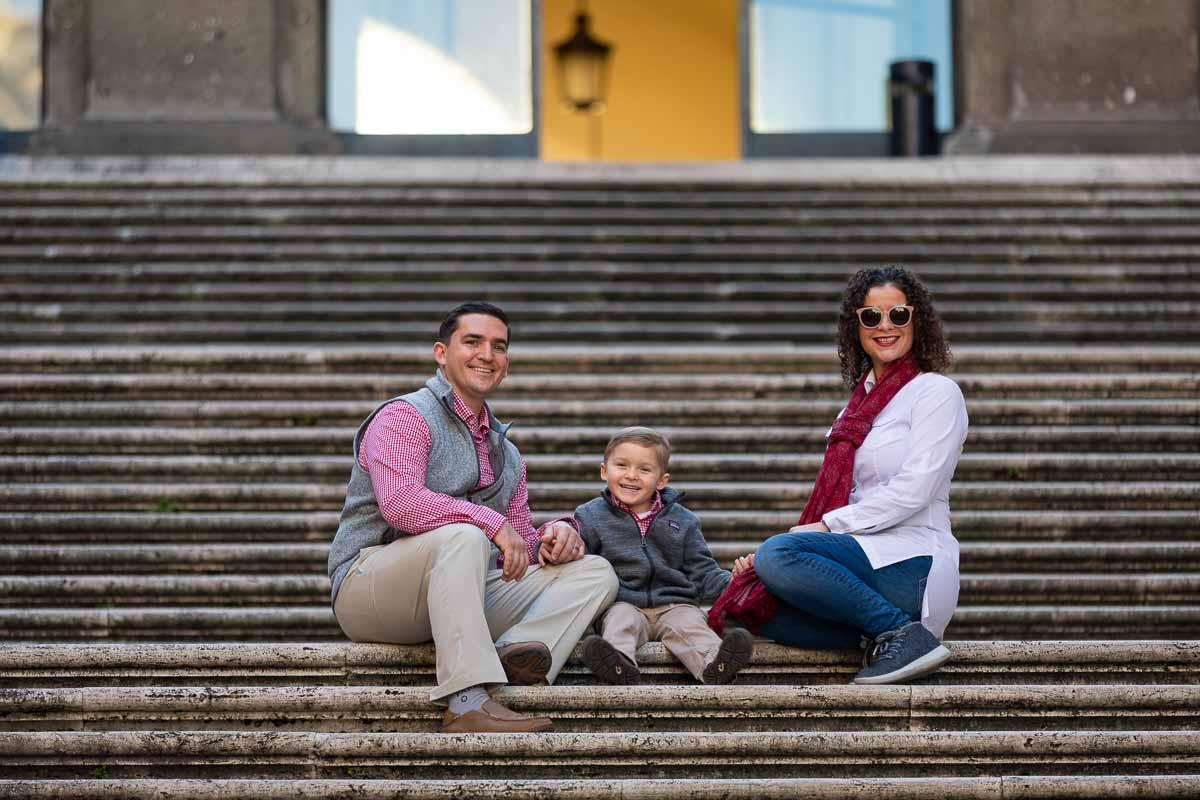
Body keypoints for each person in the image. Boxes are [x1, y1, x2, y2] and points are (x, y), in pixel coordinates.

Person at [327, 301, 618, 733]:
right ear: (441, 353)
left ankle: (510, 655)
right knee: (465, 534)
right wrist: (488, 521)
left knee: (595, 571)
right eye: (473, 342)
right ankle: (465, 703)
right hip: (371, 589)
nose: (487, 354)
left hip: (458, 593)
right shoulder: (405, 417)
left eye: (498, 347)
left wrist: (558, 537)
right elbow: (401, 504)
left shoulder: (508, 454)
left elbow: (519, 544)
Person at [711, 266, 968, 685]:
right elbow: (847, 494)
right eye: (872, 317)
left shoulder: (936, 393)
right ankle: (880, 637)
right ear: (857, 327)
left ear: (917, 320)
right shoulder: (854, 413)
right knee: (745, 596)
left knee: (781, 554)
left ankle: (901, 633)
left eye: (898, 315)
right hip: (863, 560)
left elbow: (915, 489)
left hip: (912, 563)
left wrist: (826, 527)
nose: (885, 326)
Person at [574, 427, 755, 685]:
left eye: (644, 469)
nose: (631, 476)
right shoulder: (590, 516)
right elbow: (583, 565)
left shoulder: (683, 520)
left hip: (675, 603)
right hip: (623, 602)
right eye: (622, 465)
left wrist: (735, 582)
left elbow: (703, 571)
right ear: (604, 471)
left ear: (661, 480)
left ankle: (716, 664)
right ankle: (617, 666)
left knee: (691, 625)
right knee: (619, 623)